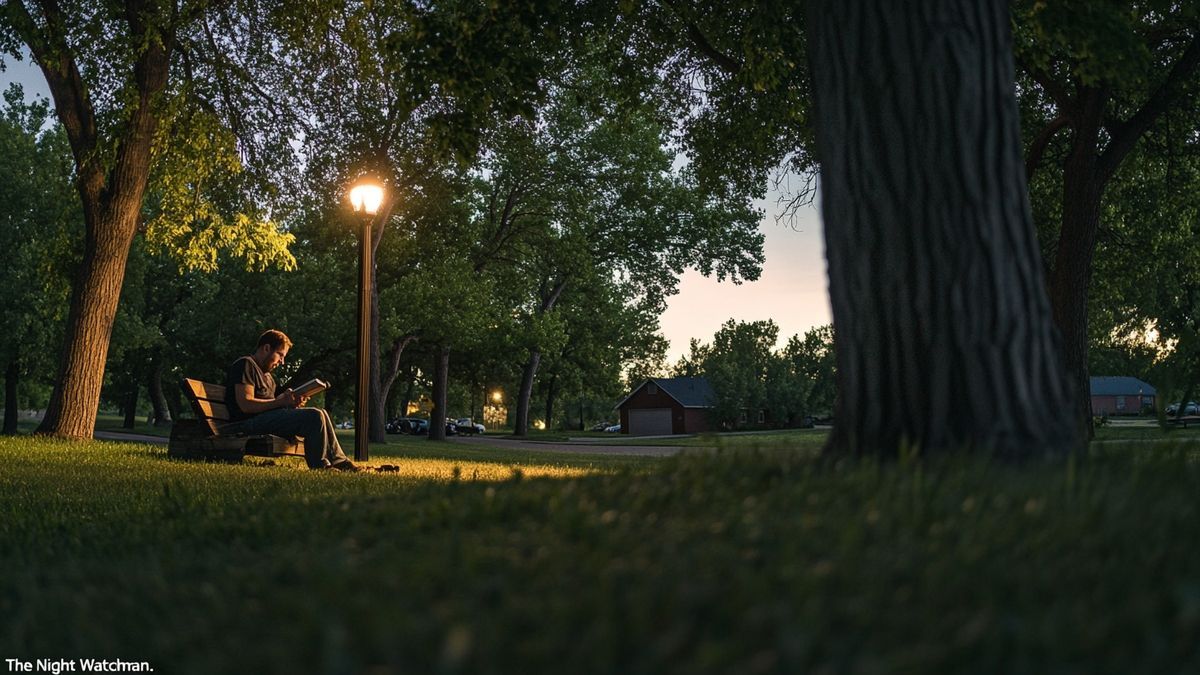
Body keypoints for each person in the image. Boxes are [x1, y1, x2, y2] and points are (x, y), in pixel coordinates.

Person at [224, 329, 359, 471]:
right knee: (314, 416)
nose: (281, 362)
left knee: (322, 413)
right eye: (280, 355)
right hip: (246, 423)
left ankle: (340, 462)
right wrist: (280, 402)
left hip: (262, 420)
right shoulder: (246, 364)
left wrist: (290, 403)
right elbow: (246, 405)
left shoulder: (268, 377)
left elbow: (271, 407)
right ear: (266, 348)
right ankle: (320, 466)